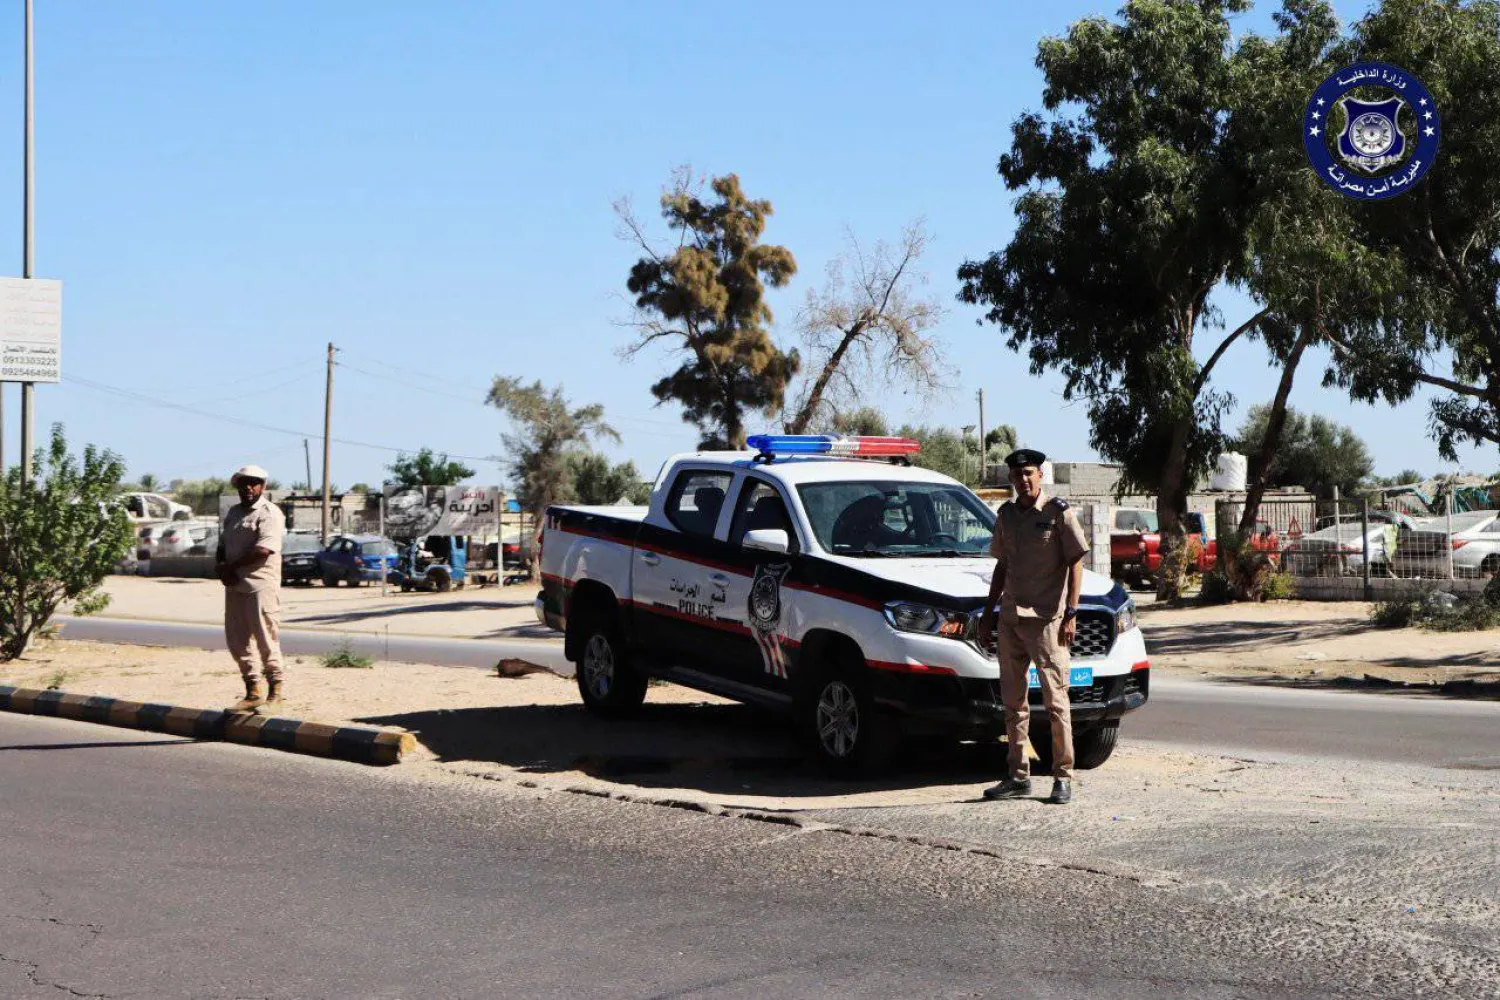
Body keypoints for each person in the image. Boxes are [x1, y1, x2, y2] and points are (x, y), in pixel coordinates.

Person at [976, 449, 1089, 805]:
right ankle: (1017, 775)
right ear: (1010, 479)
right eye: (1017, 475)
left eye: (1029, 473)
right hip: (1011, 620)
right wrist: (988, 612)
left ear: (1040, 475)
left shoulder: (1058, 513)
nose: (1023, 480)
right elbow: (1001, 567)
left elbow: (1075, 562)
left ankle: (1063, 777)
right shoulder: (1007, 516)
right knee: (1014, 703)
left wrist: (1071, 612)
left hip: (1046, 622)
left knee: (1057, 702)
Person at [217, 465, 287, 711]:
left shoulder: (270, 513)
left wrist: (230, 567)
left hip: (260, 585)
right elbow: (223, 543)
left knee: (266, 638)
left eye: (254, 483)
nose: (249, 487)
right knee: (237, 640)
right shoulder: (234, 513)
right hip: (235, 584)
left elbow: (263, 550)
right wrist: (221, 567)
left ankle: (275, 693)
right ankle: (252, 691)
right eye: (244, 482)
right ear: (237, 485)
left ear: (263, 486)